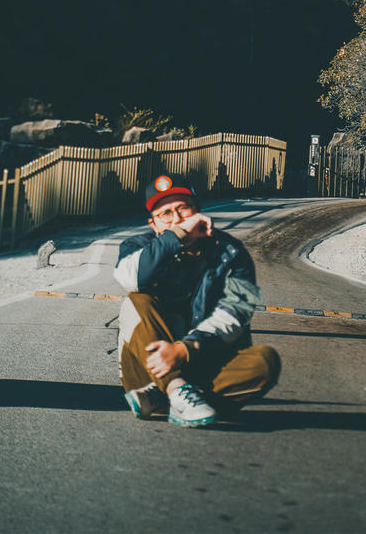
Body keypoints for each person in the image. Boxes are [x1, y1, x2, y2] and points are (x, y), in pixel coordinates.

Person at [113, 174, 281, 427]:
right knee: (137, 299)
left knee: (265, 361)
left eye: (183, 209)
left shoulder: (232, 252)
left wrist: (184, 349)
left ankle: (165, 398)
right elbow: (132, 279)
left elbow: (237, 312)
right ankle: (174, 386)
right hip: (147, 371)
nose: (177, 218)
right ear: (154, 224)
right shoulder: (137, 247)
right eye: (166, 214)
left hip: (204, 362)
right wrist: (177, 235)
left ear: (198, 211)